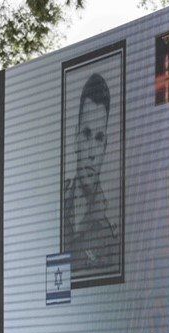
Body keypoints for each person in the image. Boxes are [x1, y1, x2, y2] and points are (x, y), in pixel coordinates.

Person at [63, 73, 119, 279]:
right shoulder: (55, 206)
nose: (92, 153)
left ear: (105, 146)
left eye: (99, 138)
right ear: (75, 138)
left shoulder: (110, 235)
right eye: (87, 135)